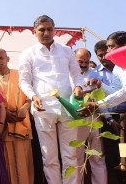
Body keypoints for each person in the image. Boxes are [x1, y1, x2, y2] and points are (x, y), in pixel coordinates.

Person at [18, 15, 85, 184]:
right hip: (43, 109)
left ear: (54, 30)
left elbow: (77, 74)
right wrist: (33, 96)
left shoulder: (66, 50)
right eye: (42, 30)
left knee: (71, 154)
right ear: (35, 32)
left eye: (49, 29)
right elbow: (24, 80)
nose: (46, 33)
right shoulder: (27, 53)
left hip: (67, 107)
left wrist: (78, 86)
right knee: (49, 157)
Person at [80, 31, 126, 184]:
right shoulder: (118, 67)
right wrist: (100, 85)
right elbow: (117, 92)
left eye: (111, 47)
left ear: (125, 47)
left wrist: (98, 104)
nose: (108, 52)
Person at [0, 48, 34, 184]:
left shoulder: (21, 75)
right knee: (5, 164)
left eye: (1, 58)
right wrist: (4, 115)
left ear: (8, 59)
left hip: (21, 123)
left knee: (24, 162)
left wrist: (25, 108)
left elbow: (31, 95)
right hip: (1, 127)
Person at [74, 48, 107, 184]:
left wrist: (97, 85)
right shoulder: (69, 74)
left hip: (94, 119)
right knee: (76, 158)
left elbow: (105, 94)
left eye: (86, 62)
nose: (83, 64)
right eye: (80, 61)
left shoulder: (96, 74)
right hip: (76, 120)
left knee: (97, 157)